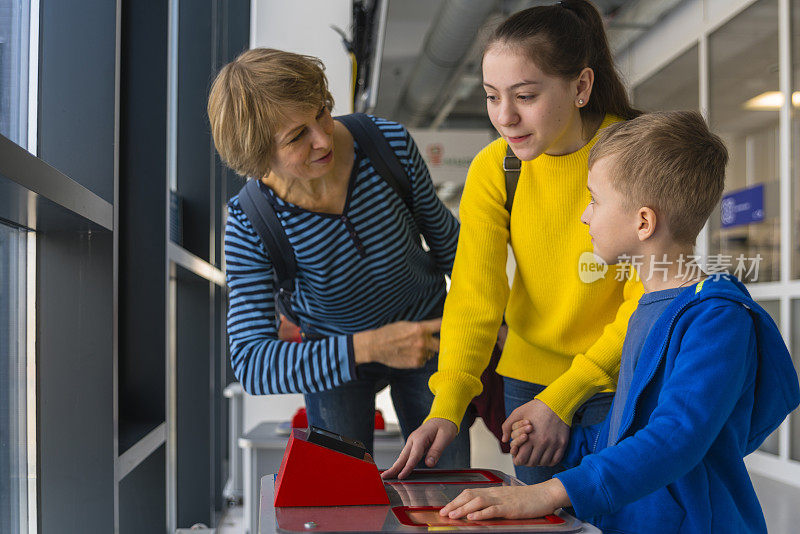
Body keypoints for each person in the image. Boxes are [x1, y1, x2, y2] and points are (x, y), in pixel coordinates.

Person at [439, 111, 800, 533]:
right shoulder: (648, 307)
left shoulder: (716, 319)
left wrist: (548, 492)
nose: (585, 216)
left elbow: (674, 439)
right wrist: (565, 444)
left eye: (594, 199)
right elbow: (628, 430)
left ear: (643, 222)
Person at [384, 0, 643, 484]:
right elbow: (475, 295)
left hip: (619, 378)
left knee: (618, 518)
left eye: (525, 96)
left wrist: (564, 397)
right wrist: (448, 404)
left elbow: (645, 297)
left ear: (581, 86)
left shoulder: (633, 159)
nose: (505, 117)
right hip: (526, 380)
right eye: (491, 96)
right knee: (541, 520)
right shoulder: (495, 168)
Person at [209, 48, 470, 463]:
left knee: (447, 486)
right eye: (297, 136)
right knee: (342, 497)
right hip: (334, 352)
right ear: (259, 160)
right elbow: (252, 362)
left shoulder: (387, 144)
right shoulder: (251, 221)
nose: (323, 137)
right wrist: (369, 346)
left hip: (427, 333)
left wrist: (494, 324)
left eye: (323, 112)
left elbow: (453, 247)